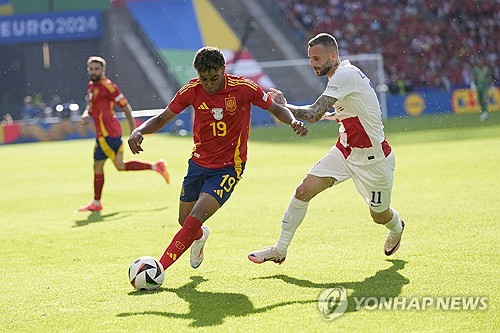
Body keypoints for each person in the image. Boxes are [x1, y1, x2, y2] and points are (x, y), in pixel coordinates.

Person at [128, 46, 307, 271]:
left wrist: (292, 121)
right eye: (204, 79)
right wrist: (140, 131)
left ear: (223, 70)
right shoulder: (191, 90)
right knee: (185, 222)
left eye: (214, 78)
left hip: (229, 167)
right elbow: (163, 117)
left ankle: (158, 269)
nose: (209, 84)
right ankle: (200, 237)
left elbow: (276, 108)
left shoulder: (243, 88)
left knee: (194, 218)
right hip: (198, 163)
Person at [248, 33, 405, 265]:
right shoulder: (341, 76)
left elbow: (313, 114)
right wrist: (289, 108)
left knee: (379, 216)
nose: (313, 64)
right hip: (345, 151)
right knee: (303, 190)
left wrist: (279, 107)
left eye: (317, 58)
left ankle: (397, 227)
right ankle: (279, 250)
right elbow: (338, 113)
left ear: (333, 55)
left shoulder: (344, 75)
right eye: (311, 59)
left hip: (374, 159)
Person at [78, 56, 171, 212]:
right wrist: (86, 114)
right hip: (105, 134)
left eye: (96, 69)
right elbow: (91, 105)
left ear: (103, 70)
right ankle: (156, 166)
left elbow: (126, 107)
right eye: (91, 69)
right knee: (120, 166)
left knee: (98, 166)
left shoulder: (109, 87)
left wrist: (135, 130)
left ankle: (96, 203)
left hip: (109, 134)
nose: (93, 72)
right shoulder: (90, 86)